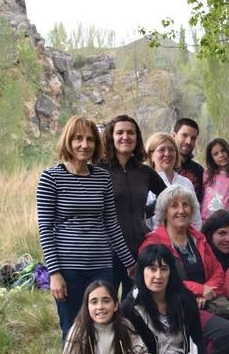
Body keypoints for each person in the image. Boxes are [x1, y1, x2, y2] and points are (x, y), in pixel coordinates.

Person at [37, 114, 136, 338]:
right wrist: (54, 273)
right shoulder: (50, 178)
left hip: (101, 266)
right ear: (68, 141)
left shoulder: (102, 177)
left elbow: (111, 223)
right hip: (68, 268)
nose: (84, 145)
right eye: (78, 139)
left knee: (104, 328)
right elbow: (45, 228)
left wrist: (130, 262)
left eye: (90, 139)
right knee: (73, 330)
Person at [140, 185, 229, 354]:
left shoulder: (197, 237)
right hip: (176, 306)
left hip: (207, 303)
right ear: (164, 212)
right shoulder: (154, 242)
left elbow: (218, 272)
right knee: (227, 332)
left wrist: (207, 292)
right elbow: (159, 281)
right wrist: (200, 289)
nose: (181, 210)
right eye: (174, 206)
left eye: (186, 205)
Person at [101, 114, 166, 297]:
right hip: (107, 253)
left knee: (134, 305)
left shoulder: (144, 171)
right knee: (106, 304)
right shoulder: (98, 169)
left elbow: (167, 197)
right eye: (119, 132)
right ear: (110, 137)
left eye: (131, 133)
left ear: (137, 138)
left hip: (138, 249)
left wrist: (148, 212)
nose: (125, 137)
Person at [145, 132, 202, 230]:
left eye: (171, 150)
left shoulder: (186, 183)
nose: (167, 154)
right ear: (151, 156)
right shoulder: (145, 184)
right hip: (156, 241)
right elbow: (145, 222)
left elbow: (196, 220)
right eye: (161, 150)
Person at [201, 138, 229, 220]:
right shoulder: (207, 174)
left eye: (223, 151)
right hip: (205, 222)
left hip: (225, 224)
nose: (221, 155)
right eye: (216, 154)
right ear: (211, 158)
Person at [173, 117, 204, 204]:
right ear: (173, 136)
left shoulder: (199, 170)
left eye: (193, 138)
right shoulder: (161, 165)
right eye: (184, 135)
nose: (188, 141)